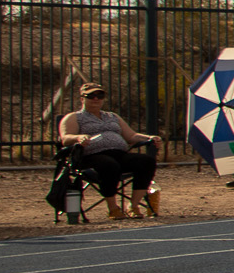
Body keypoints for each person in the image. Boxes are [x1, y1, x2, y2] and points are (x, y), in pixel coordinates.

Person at [57, 83, 161, 218]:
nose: (96, 99)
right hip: (90, 156)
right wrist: (79, 137)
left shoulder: (112, 116)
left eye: (99, 96)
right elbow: (65, 138)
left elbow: (131, 136)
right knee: (109, 165)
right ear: (82, 99)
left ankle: (133, 206)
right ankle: (113, 209)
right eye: (91, 96)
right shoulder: (74, 117)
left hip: (118, 153)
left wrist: (150, 137)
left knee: (146, 161)